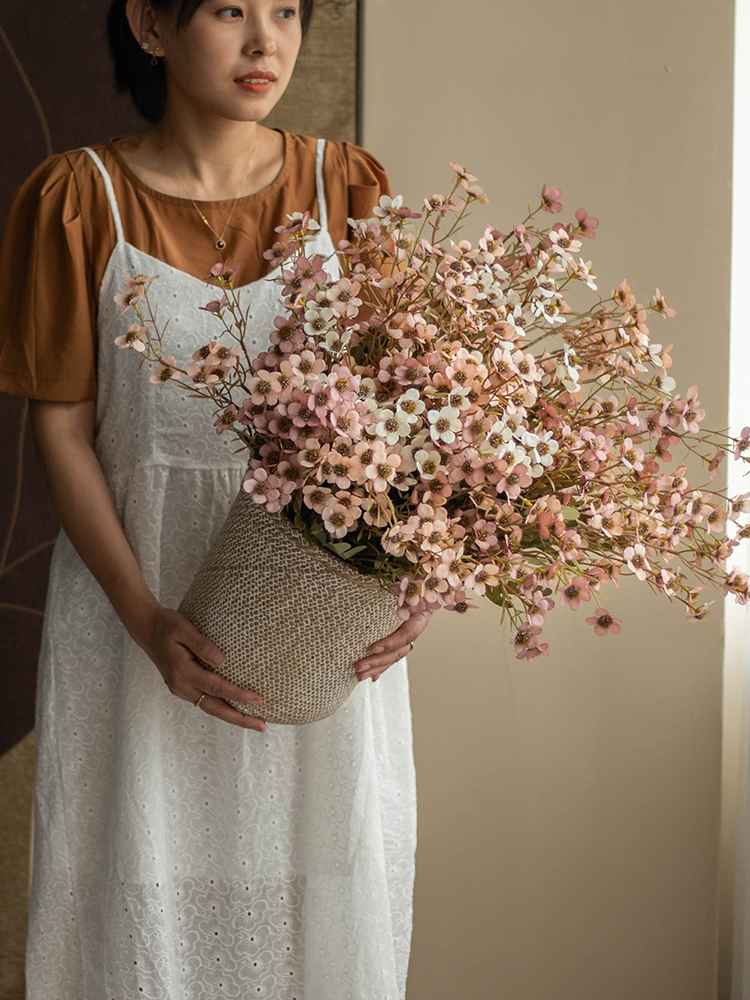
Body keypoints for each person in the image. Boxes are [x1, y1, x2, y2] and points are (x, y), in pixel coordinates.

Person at [0, 1, 428, 996]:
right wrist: (147, 619)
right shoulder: (77, 198)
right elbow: (60, 429)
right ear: (149, 24)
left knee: (319, 896)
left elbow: (411, 418)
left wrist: (413, 587)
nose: (266, 40)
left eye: (286, 10)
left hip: (319, 620)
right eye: (231, 9)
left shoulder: (348, 189)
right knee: (140, 895)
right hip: (135, 604)